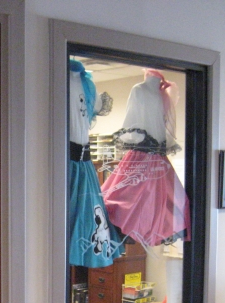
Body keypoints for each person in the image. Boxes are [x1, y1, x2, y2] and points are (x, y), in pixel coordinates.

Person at [101, 69, 191, 247]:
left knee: (164, 201)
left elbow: (134, 122)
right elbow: (133, 121)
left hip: (153, 156)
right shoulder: (141, 90)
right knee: (132, 198)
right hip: (145, 154)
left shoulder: (160, 94)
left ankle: (144, 229)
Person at [68, 59, 123, 268]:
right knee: (70, 214)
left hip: (85, 163)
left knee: (89, 216)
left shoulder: (88, 85)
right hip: (67, 162)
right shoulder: (58, 81)